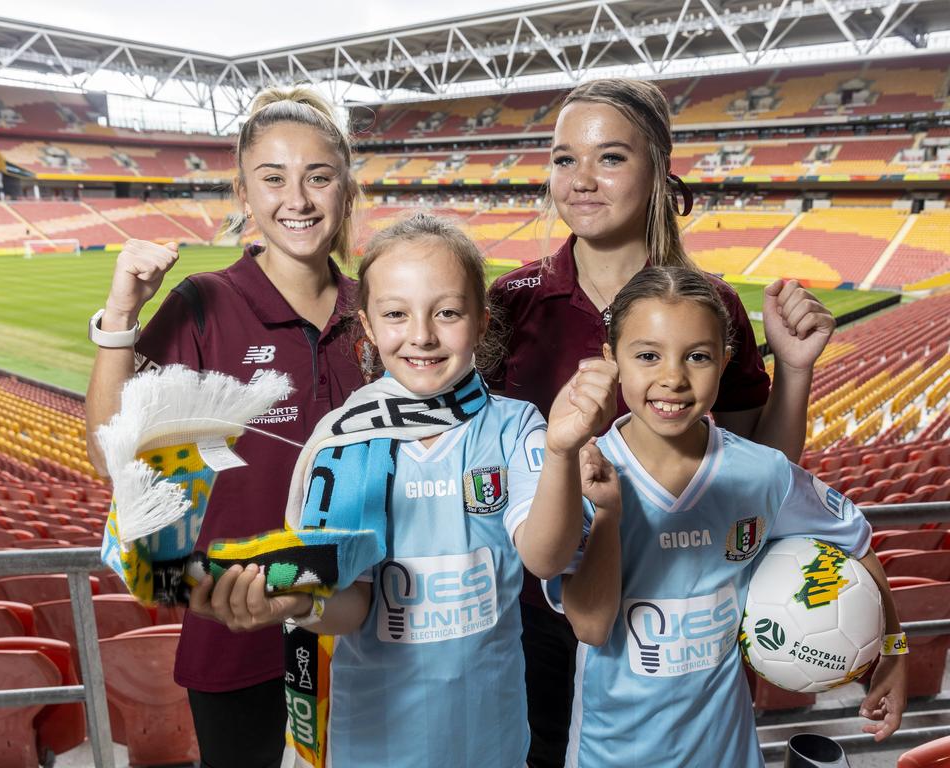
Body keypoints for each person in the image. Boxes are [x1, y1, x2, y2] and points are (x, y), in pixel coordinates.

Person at [487, 77, 838, 768]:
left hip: (681, 615)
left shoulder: (711, 304)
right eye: (564, 159)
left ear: (657, 169)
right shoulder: (508, 303)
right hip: (532, 614)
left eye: (610, 158)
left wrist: (795, 371)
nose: (582, 180)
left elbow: (757, 465)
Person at [189, 212, 618, 767]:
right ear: (367, 326)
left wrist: (561, 451)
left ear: (483, 323)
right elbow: (349, 605)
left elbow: (545, 557)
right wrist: (300, 600)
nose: (422, 335)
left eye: (447, 312)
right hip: (375, 746)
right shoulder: (346, 441)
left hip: (494, 743)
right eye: (396, 314)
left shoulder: (517, 427)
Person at [85, 85, 364, 768]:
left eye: (318, 176)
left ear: (346, 189)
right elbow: (113, 460)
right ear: (245, 193)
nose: (296, 199)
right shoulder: (206, 302)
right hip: (236, 631)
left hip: (364, 630)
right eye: (273, 178)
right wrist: (120, 318)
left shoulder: (378, 311)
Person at [547, 265, 907, 767]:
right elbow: (589, 625)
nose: (672, 377)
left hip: (728, 751)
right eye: (647, 355)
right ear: (612, 361)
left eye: (697, 356)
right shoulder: (586, 471)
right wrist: (608, 512)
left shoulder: (760, 472)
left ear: (724, 362)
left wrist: (893, 650)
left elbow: (854, 538)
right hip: (612, 752)